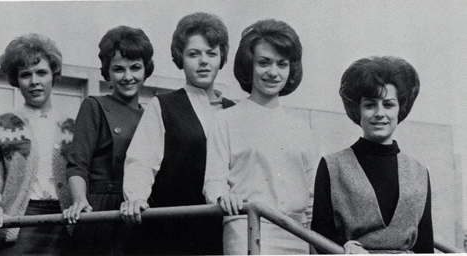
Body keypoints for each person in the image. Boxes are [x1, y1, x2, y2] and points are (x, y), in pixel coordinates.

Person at [120, 12, 234, 255]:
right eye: (194, 54)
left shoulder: (234, 111)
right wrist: (136, 197)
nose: (203, 61)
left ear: (221, 57)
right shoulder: (164, 105)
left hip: (222, 232)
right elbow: (141, 160)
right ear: (180, 57)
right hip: (173, 231)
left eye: (211, 53)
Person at [203, 19, 315, 255]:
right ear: (249, 65)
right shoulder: (225, 119)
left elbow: (312, 197)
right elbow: (214, 181)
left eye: (282, 64)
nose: (273, 72)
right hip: (246, 229)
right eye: (264, 63)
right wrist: (223, 197)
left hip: (297, 235)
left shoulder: (302, 128)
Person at [311, 56, 433, 254]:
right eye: (369, 105)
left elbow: (424, 243)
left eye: (388, 104)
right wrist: (343, 246)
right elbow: (320, 231)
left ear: (400, 108)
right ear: (356, 109)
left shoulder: (419, 171)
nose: (379, 113)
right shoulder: (332, 165)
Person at [62, 25, 153, 255]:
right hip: (102, 211)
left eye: (135, 68)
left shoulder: (151, 115)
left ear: (146, 70)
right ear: (108, 73)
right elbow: (77, 164)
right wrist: (79, 200)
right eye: (118, 69)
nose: (128, 77)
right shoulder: (94, 106)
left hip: (139, 211)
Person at [0, 33, 74, 255]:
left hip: (65, 225)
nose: (34, 82)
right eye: (26, 75)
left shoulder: (73, 127)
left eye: (41, 72)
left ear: (54, 75)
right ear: (16, 80)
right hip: (16, 227)